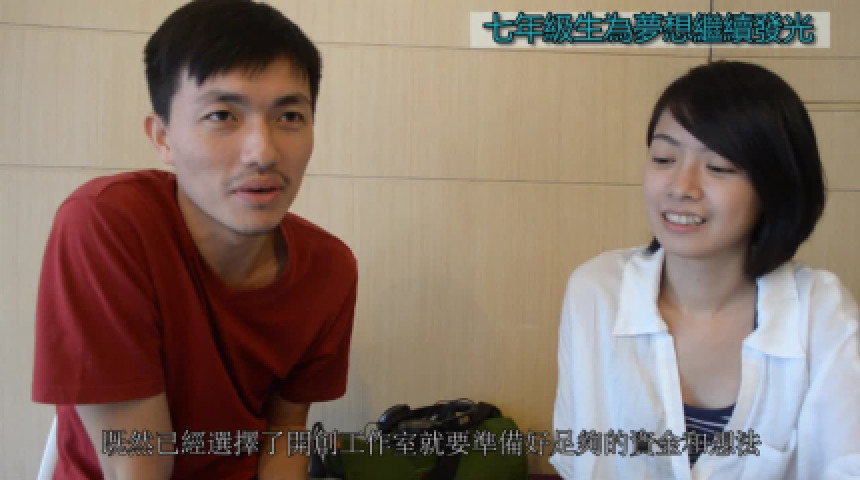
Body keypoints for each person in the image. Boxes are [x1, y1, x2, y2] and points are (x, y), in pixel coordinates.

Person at [31, 0, 358, 478]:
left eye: (289, 116)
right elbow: (138, 462)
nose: (263, 152)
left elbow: (286, 434)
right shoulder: (107, 225)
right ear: (162, 136)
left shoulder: (329, 269)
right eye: (222, 115)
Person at [549, 61, 860, 479]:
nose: (681, 187)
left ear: (775, 186)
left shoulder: (822, 314)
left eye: (719, 167)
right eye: (664, 158)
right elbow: (576, 458)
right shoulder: (597, 291)